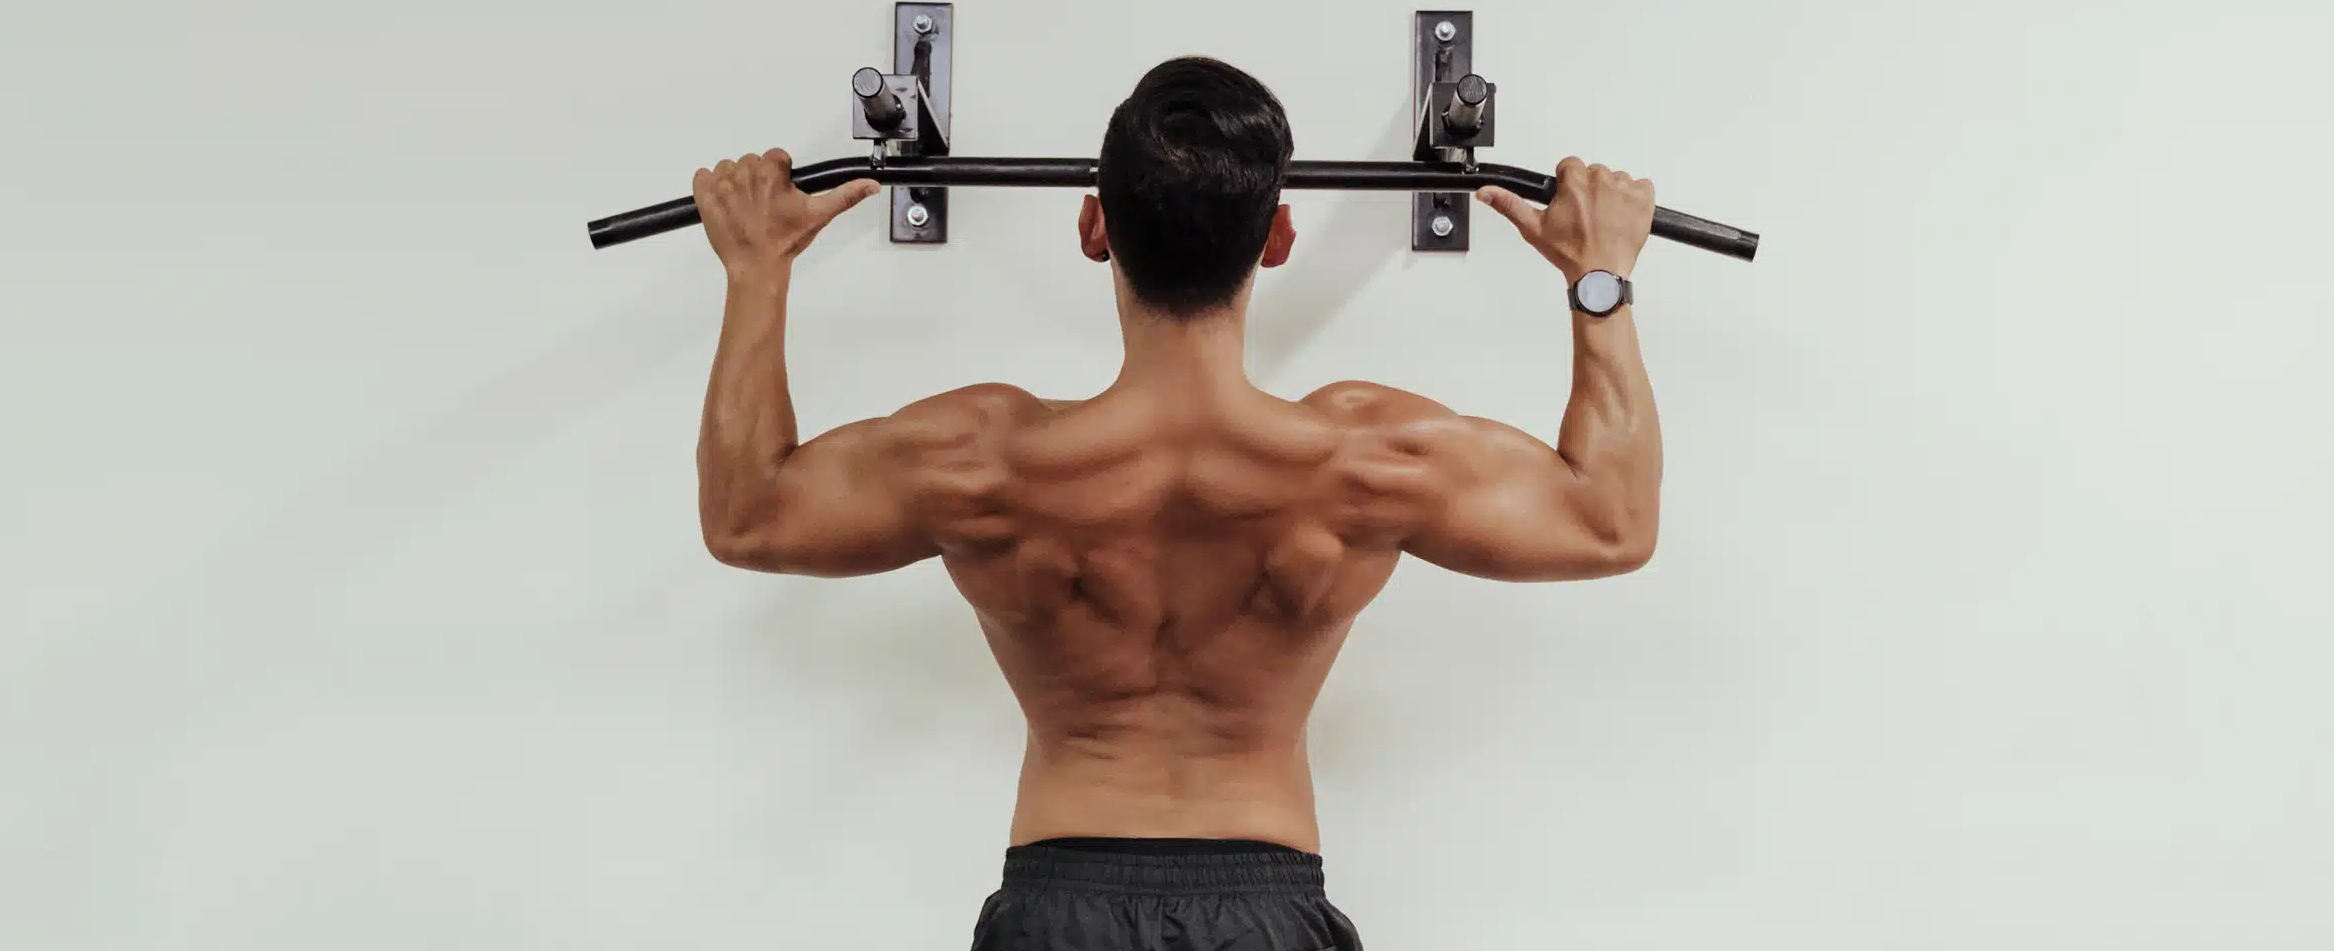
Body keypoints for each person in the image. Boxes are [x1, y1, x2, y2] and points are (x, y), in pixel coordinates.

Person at [689, 57, 1663, 951]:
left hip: (1053, 905)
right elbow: (1608, 522)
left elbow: (748, 514)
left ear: (1092, 226)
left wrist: (755, 271)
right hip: (1267, 902)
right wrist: (1598, 280)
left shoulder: (981, 456)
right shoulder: (1364, 457)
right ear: (1278, 237)